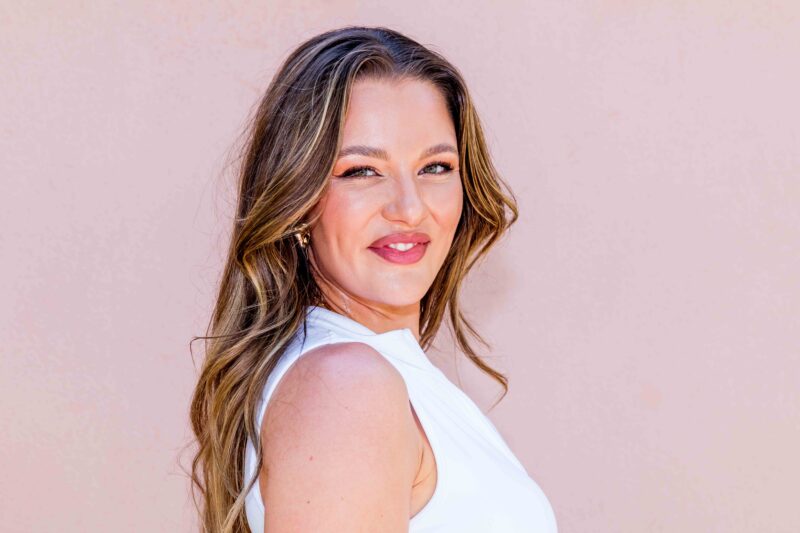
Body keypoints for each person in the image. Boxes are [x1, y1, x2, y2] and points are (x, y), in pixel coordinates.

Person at [189, 25, 558, 532]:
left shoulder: (386, 380)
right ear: (297, 202)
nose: (409, 208)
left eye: (435, 167)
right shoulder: (345, 386)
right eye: (362, 171)